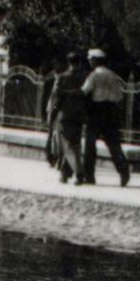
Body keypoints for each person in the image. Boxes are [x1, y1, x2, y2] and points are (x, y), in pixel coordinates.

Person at [80, 48, 131, 187]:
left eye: (91, 60)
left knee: (90, 145)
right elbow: (120, 96)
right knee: (114, 144)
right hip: (111, 111)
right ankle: (124, 171)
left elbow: (84, 91)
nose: (90, 62)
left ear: (95, 60)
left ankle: (89, 175)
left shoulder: (94, 75)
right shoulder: (113, 75)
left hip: (97, 111)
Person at [46, 50, 88, 185]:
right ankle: (64, 174)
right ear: (80, 63)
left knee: (68, 145)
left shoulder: (63, 78)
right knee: (74, 144)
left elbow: (57, 100)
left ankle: (79, 173)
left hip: (65, 115)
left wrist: (52, 114)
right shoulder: (84, 78)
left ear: (69, 63)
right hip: (79, 115)